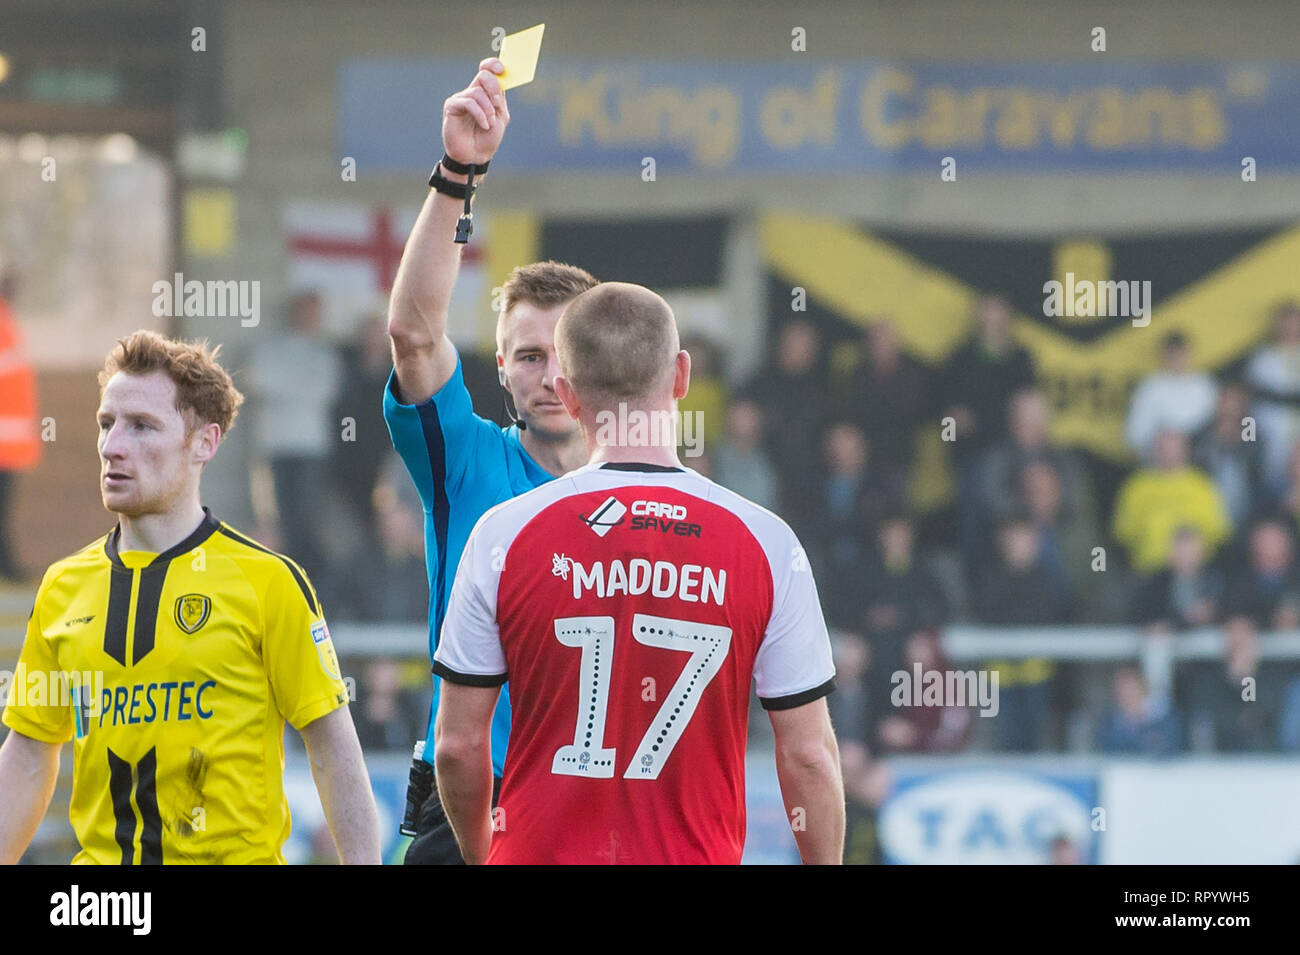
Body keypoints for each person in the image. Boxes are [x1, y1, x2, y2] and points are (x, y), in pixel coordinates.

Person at [432, 282, 844, 864]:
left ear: (568, 394)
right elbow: (808, 755)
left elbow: (455, 745)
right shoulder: (766, 543)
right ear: (681, 376)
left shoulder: (504, 534)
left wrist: (482, 857)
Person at [0, 330, 379, 864]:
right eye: (106, 424)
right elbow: (29, 756)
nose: (112, 446)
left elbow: (333, 748)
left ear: (205, 442)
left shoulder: (267, 581)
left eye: (141, 426)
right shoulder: (63, 586)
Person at [383, 56, 598, 864]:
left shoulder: (657, 496)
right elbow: (413, 332)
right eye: (527, 356)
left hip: (593, 798)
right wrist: (458, 173)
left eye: (564, 352)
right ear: (500, 368)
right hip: (465, 790)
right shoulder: (467, 460)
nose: (549, 376)